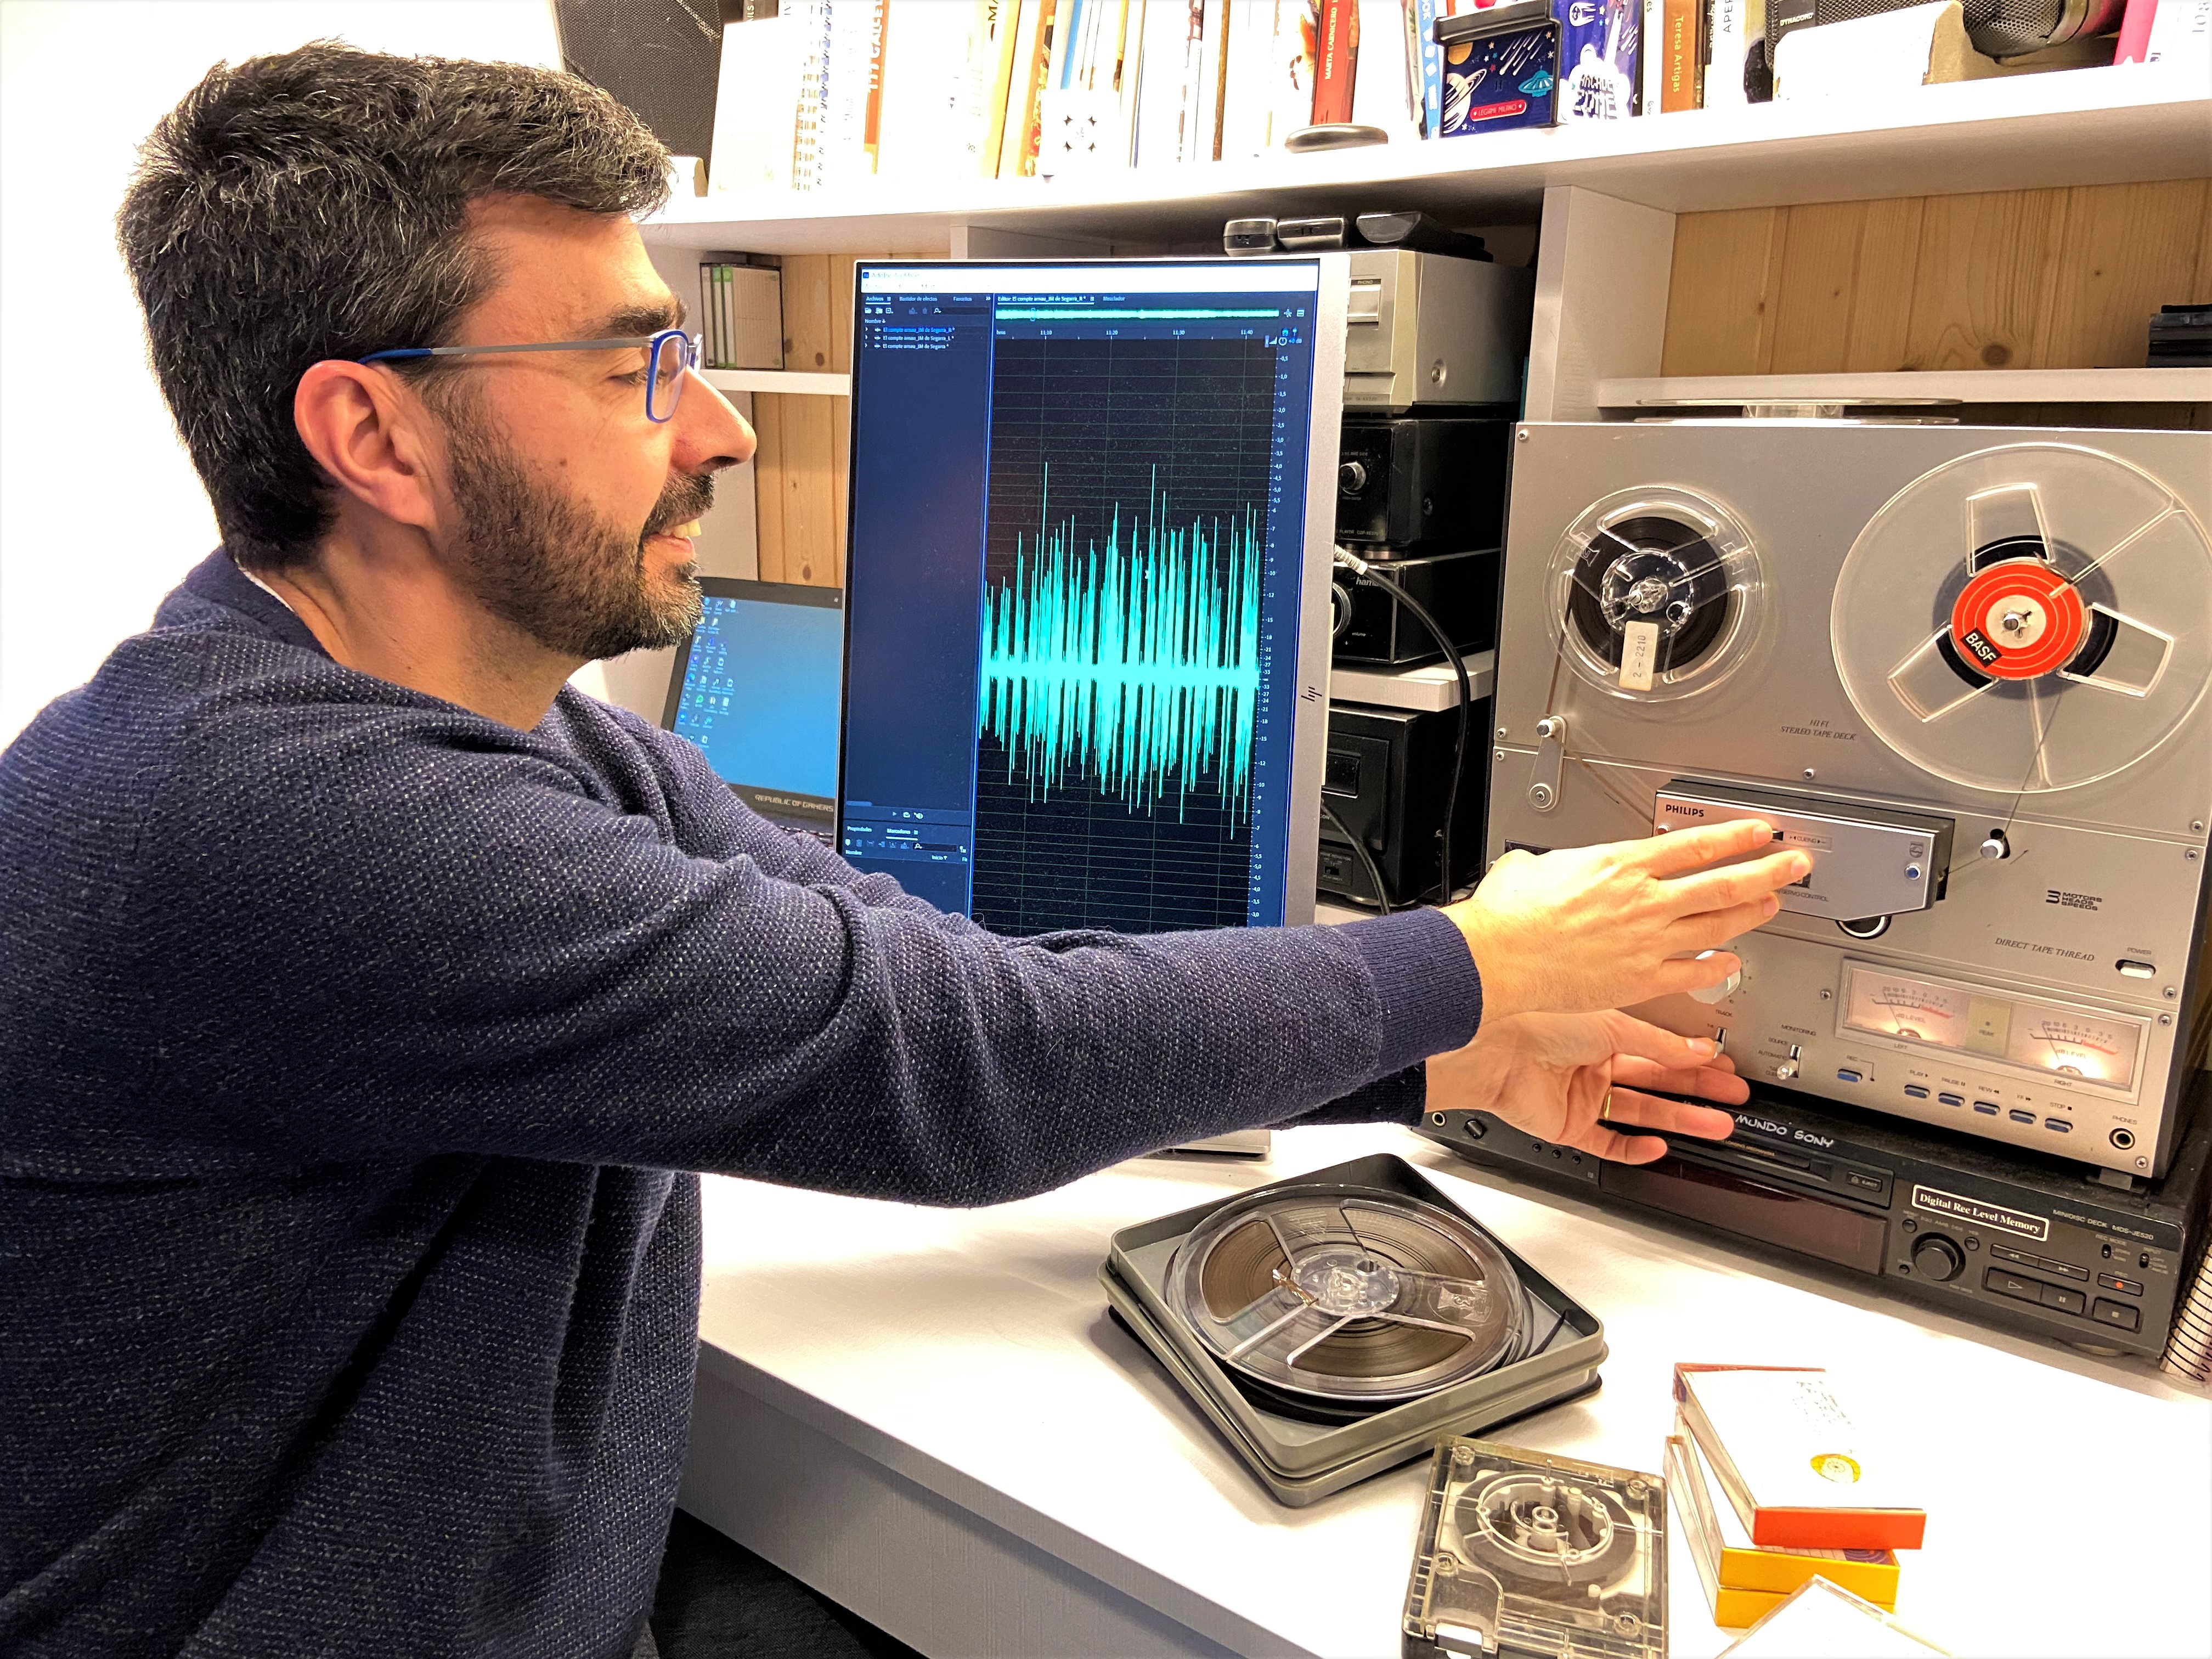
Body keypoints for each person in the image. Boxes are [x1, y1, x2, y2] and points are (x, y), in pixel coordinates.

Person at [0, 43, 1810, 1659]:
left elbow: (922, 969)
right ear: (372, 434)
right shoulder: (276, 821)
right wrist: (1478, 958)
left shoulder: (514, 735)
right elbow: (957, 1069)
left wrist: (1446, 1057)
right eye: (636, 367)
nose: (716, 429)